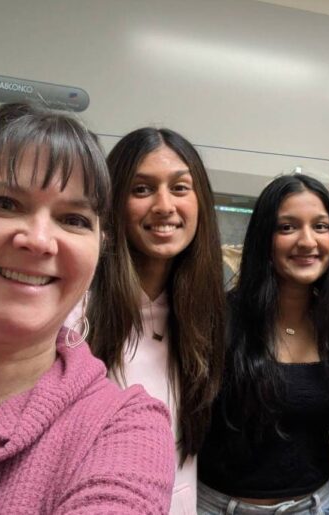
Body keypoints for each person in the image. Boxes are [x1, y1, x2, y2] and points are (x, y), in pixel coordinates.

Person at [0, 102, 174, 513]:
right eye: (5, 203)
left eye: (74, 219)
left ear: (100, 248)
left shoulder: (124, 429)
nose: (39, 240)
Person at [197, 174, 329, 515]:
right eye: (288, 227)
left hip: (315, 506)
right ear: (264, 237)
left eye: (320, 227)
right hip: (218, 507)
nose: (308, 241)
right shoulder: (217, 320)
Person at [86, 128, 225, 513]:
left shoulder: (205, 315)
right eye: (142, 189)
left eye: (180, 188)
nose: (165, 205)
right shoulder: (76, 312)